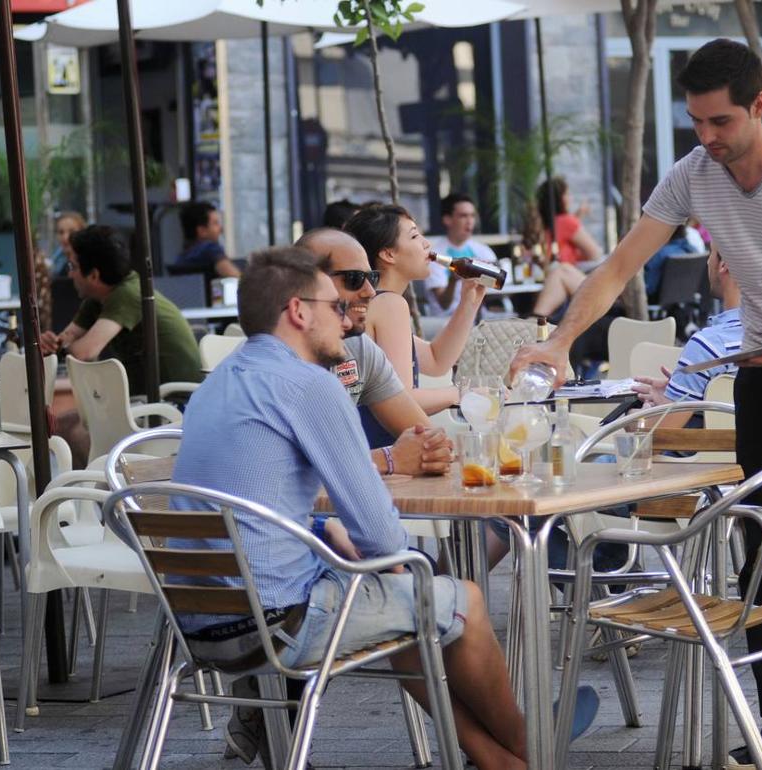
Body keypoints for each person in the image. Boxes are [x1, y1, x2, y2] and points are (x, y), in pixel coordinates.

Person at [509, 38, 762, 770]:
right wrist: (562, 341)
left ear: (759, 106)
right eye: (695, 122)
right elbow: (617, 267)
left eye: (720, 122)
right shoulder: (694, 175)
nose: (707, 138)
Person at [170, 246, 548, 770]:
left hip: (197, 627)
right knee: (465, 599)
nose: (346, 318)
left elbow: (256, 497)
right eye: (334, 306)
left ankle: (497, 759)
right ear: (298, 312)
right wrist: (380, 555)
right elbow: (382, 538)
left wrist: (328, 530)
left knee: (404, 608)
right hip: (280, 625)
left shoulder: (216, 385)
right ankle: (534, 750)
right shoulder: (310, 385)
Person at [295, 227, 453, 472]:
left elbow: (430, 441)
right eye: (354, 279)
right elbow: (298, 470)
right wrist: (390, 459)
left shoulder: (359, 347)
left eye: (373, 279)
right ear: (309, 285)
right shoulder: (281, 360)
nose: (370, 291)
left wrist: (432, 451)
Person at [345, 204, 484, 447]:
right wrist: (463, 393)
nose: (426, 244)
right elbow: (402, 398)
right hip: (385, 450)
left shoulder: (376, 302)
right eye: (414, 235)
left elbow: (436, 359)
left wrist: (468, 304)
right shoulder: (389, 304)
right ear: (389, 254)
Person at [40, 225, 203, 395]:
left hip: (177, 402)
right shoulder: (99, 298)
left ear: (94, 275)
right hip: (147, 398)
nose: (70, 275)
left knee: (69, 414)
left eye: (72, 267)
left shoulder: (127, 294)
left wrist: (60, 349)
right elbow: (68, 337)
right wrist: (51, 344)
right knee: (74, 416)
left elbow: (85, 352)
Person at [631, 249, 742, 429]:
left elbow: (657, 439)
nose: (707, 262)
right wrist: (682, 395)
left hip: (705, 455)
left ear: (724, 265)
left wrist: (634, 417)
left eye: (711, 253)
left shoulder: (708, 346)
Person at [531, 177, 602, 319]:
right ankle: (535, 321)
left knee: (560, 271)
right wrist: (577, 256)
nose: (570, 198)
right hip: (563, 284)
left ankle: (534, 321)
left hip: (546, 283)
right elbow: (595, 253)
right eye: (567, 194)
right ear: (560, 199)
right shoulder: (566, 221)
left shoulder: (544, 225)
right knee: (562, 270)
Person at [425, 193, 498, 317]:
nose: (469, 221)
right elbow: (444, 304)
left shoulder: (483, 251)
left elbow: (501, 286)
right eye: (463, 216)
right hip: (446, 320)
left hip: (478, 316)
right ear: (447, 220)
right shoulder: (435, 255)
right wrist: (453, 280)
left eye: (472, 216)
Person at [170, 201, 241, 280]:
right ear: (202, 231)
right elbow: (236, 277)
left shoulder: (180, 259)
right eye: (215, 223)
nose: (220, 229)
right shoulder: (210, 248)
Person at [51, 211, 87, 278]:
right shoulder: (56, 262)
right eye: (61, 232)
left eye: (72, 231)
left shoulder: (86, 265)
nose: (65, 237)